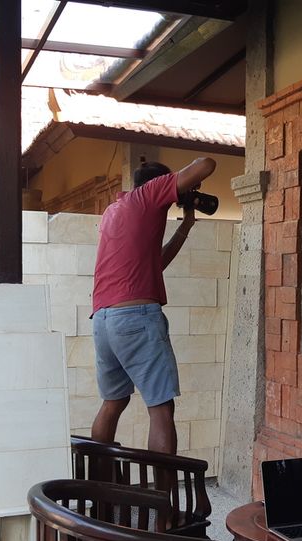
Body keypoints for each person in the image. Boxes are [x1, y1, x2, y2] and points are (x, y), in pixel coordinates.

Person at [89, 156, 217, 455]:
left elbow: (155, 264)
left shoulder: (114, 211)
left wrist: (185, 225)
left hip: (104, 320)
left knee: (114, 402)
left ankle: (97, 489)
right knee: (161, 408)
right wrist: (185, 183)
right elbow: (206, 164)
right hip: (135, 318)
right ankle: (163, 500)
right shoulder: (149, 194)